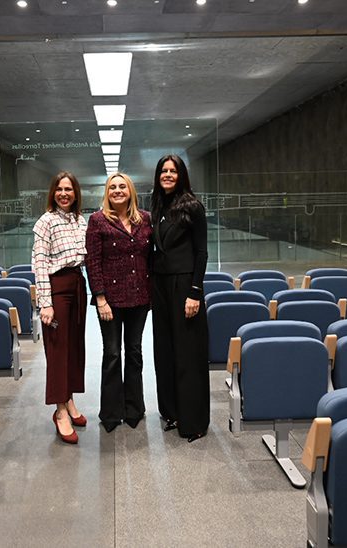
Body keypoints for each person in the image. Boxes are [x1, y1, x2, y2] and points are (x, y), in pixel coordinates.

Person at [85, 172, 153, 433]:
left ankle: (135, 409)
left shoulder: (144, 219)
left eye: (122, 186)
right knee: (112, 354)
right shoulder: (97, 220)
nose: (117, 190)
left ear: (130, 191)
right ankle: (111, 412)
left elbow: (151, 257)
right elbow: (93, 262)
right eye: (112, 187)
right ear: (107, 192)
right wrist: (100, 297)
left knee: (134, 353)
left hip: (139, 298)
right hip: (110, 301)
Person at [149, 154, 210, 442]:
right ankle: (172, 411)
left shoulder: (193, 207)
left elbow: (201, 252)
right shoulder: (157, 206)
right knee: (165, 351)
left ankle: (194, 421)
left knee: (188, 354)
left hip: (185, 285)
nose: (168, 175)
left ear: (181, 175)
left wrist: (195, 292)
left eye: (173, 171)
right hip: (160, 286)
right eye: (164, 170)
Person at [32, 171, 88, 444]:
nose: (64, 193)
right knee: (57, 350)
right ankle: (60, 411)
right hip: (56, 290)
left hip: (78, 285)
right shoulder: (45, 222)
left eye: (69, 189)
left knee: (74, 347)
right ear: (53, 193)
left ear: (76, 193)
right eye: (59, 189)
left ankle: (69, 398)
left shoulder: (80, 220)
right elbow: (40, 264)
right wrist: (46, 303)